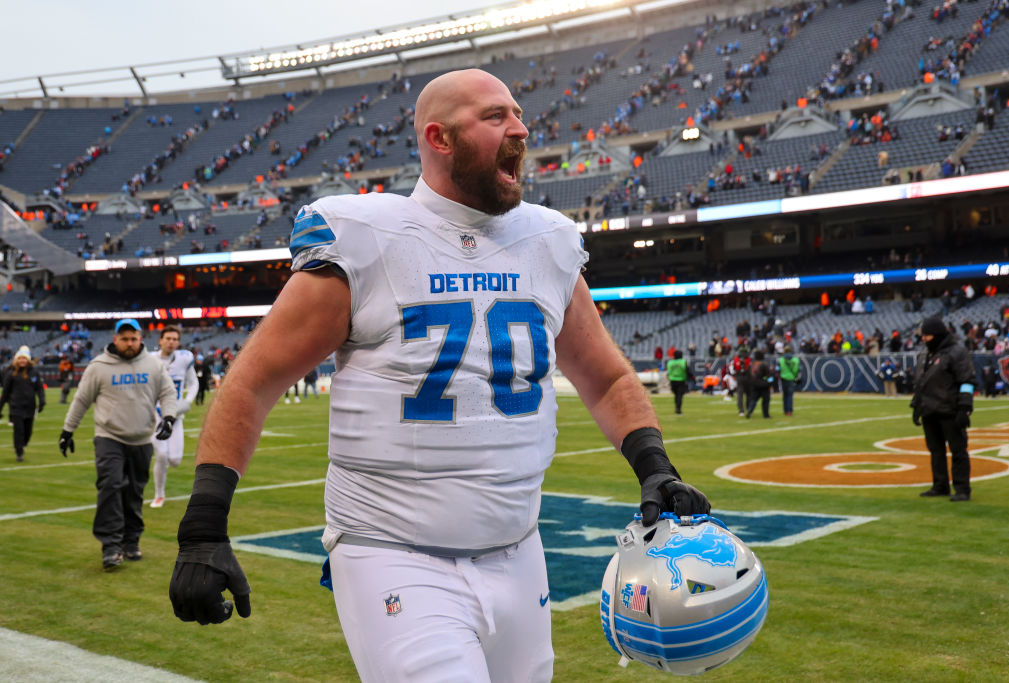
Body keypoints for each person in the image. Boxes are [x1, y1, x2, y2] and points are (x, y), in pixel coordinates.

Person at [167, 68, 711, 682]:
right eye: (496, 116)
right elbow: (253, 381)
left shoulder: (548, 240)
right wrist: (204, 523)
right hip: (391, 551)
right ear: (440, 138)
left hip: (519, 549)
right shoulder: (367, 237)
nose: (520, 129)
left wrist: (654, 465)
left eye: (518, 112)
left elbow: (606, 378)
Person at [60, 318, 178, 570]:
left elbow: (168, 392)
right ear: (115, 340)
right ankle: (111, 547)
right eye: (124, 339)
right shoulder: (99, 367)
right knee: (110, 486)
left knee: (134, 492)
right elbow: (81, 400)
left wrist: (169, 417)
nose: (129, 343)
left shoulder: (153, 365)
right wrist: (68, 431)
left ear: (140, 339)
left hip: (142, 438)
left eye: (133, 338)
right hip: (109, 436)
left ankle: (131, 541)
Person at [911, 316, 975, 501]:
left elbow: (967, 381)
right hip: (929, 410)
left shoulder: (957, 352)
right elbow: (920, 383)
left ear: (937, 335)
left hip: (950, 410)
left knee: (958, 450)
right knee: (935, 450)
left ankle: (962, 489)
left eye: (927, 336)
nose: (924, 339)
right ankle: (940, 485)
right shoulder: (925, 354)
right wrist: (916, 405)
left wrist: (964, 408)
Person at [150, 326, 199, 508]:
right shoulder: (149, 360)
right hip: (155, 414)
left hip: (176, 414)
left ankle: (162, 474)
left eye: (175, 339)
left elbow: (193, 383)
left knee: (175, 461)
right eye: (168, 338)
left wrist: (187, 401)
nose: (171, 342)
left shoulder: (184, 359)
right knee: (162, 455)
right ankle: (159, 495)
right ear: (160, 340)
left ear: (178, 342)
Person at [0, 346, 46, 462]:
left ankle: (22, 445)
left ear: (28, 360)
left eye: (24, 358)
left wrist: (42, 401)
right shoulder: (11, 373)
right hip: (16, 406)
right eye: (20, 358)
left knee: (28, 431)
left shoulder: (34, 372)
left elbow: (39, 388)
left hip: (30, 406)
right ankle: (19, 452)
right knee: (18, 430)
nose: (22, 361)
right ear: (17, 360)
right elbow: (5, 393)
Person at [665, 349, 693, 414]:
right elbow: (687, 370)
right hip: (681, 380)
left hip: (672, 380)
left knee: (676, 395)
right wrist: (692, 378)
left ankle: (677, 407)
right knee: (680, 395)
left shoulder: (670, 362)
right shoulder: (683, 362)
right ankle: (678, 409)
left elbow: (668, 371)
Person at [746, 350, 772, 419]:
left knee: (753, 399)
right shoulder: (764, 364)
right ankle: (766, 415)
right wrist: (770, 383)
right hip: (764, 385)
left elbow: (748, 375)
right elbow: (769, 375)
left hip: (754, 384)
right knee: (766, 400)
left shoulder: (751, 364)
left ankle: (749, 411)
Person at [777, 345, 800, 416]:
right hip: (791, 378)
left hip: (783, 378)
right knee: (790, 395)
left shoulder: (780, 360)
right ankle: (790, 411)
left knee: (785, 395)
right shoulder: (796, 360)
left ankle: (785, 410)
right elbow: (797, 370)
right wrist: (795, 376)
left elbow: (778, 369)